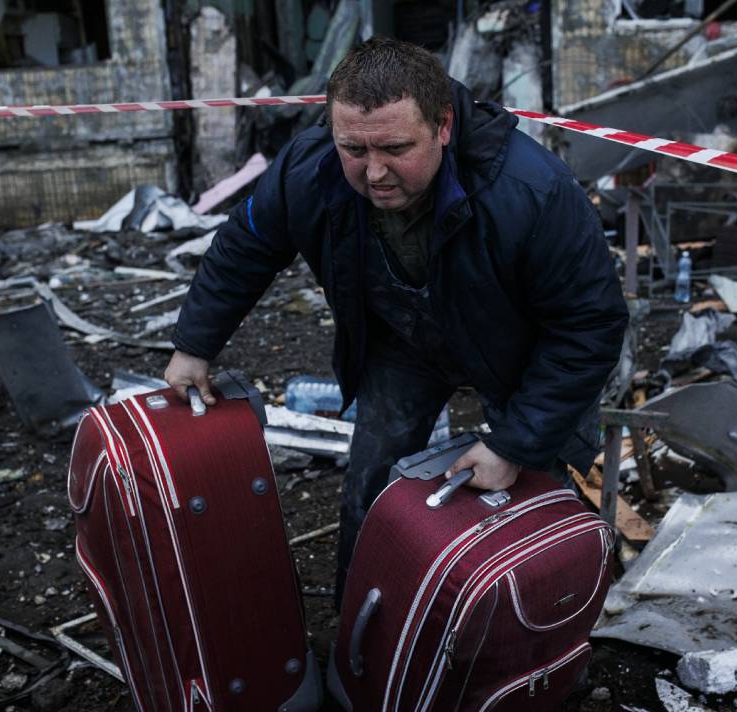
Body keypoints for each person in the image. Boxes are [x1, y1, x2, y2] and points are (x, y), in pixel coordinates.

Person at [164, 38, 628, 602]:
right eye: (353, 148)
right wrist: (194, 345)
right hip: (405, 342)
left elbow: (590, 325)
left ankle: (545, 630)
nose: (374, 171)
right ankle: (367, 624)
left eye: (395, 147)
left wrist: (513, 446)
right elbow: (246, 246)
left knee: (542, 494)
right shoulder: (310, 170)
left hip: (527, 352)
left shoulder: (530, 192)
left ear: (444, 126)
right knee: (372, 486)